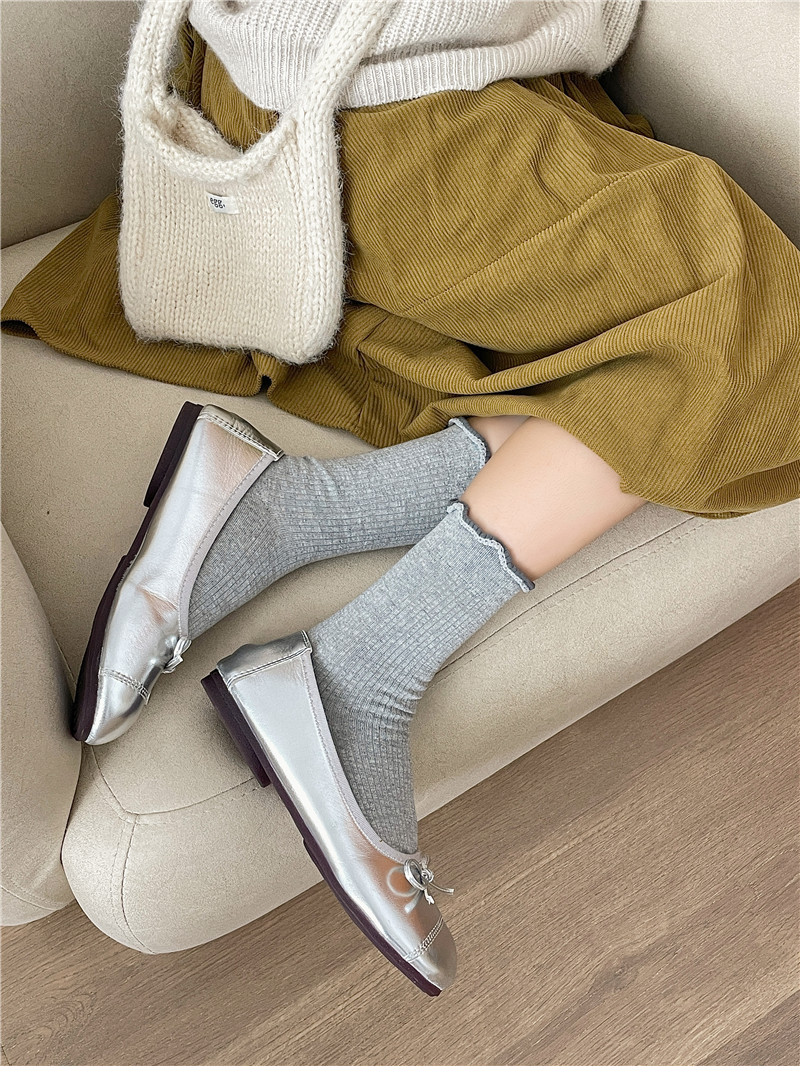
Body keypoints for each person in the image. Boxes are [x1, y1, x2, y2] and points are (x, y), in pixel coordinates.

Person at [4, 1, 799, 995]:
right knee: (761, 350)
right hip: (382, 101)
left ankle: (287, 516)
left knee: (657, 361)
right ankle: (352, 668)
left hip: (409, 90)